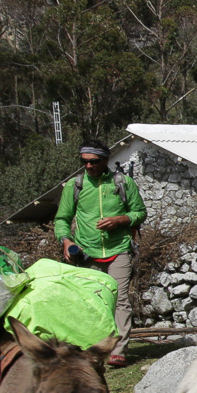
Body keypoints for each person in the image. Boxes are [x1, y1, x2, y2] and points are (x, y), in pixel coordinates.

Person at [53, 141, 146, 366]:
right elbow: (62, 220)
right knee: (93, 301)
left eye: (93, 161)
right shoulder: (74, 186)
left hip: (119, 249)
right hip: (87, 253)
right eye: (83, 161)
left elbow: (140, 212)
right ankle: (95, 348)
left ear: (105, 160)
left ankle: (119, 350)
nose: (88, 166)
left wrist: (121, 220)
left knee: (120, 299)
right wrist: (66, 241)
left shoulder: (124, 183)